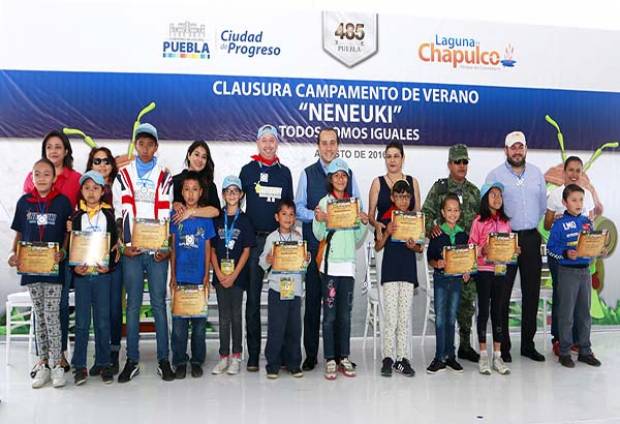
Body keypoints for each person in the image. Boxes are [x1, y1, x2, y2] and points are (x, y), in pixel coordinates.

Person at [294, 127, 363, 371]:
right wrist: (317, 215)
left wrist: (358, 218)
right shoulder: (307, 174)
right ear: (318, 146)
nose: (328, 147)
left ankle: (338, 355)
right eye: (324, 143)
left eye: (332, 142)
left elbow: (356, 208)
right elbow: (297, 207)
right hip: (316, 247)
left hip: (341, 250)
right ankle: (312, 355)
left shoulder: (348, 173)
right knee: (313, 301)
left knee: (340, 307)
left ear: (338, 145)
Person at [112, 123, 174, 382]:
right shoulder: (123, 176)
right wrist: (124, 244)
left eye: (150, 144)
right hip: (133, 250)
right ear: (135, 145)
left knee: (159, 305)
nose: (146, 148)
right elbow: (118, 214)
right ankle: (132, 359)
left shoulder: (166, 176)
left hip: (157, 250)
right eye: (141, 143)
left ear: (156, 146)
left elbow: (167, 214)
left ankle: (164, 359)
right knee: (134, 306)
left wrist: (165, 248)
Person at [8, 159, 72, 388]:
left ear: (54, 177)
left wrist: (63, 252)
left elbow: (68, 234)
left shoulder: (63, 202)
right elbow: (18, 233)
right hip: (31, 269)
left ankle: (57, 364)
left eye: (47, 173)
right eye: (38, 173)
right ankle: (42, 363)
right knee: (39, 314)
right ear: (32, 176)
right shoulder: (24, 203)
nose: (42, 177)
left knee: (52, 314)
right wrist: (12, 253)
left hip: (54, 269)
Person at [485, 131, 547, 362]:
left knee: (532, 293)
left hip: (531, 238)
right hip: (505, 240)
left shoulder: (537, 174)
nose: (517, 151)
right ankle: (504, 347)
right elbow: (490, 209)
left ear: (526, 149)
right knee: (502, 293)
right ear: (506, 150)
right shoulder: (494, 175)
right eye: (513, 147)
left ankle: (528, 345)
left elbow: (541, 208)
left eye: (520, 147)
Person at [23, 130, 82, 371]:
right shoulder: (32, 176)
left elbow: (83, 210)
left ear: (66, 151)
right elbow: (27, 212)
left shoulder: (76, 178)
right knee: (40, 309)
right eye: (49, 147)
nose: (54, 151)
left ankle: (61, 355)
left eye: (58, 147)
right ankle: (43, 358)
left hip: (64, 252)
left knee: (59, 307)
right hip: (37, 254)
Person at [239, 124, 293, 371]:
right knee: (252, 300)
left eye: (272, 140)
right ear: (257, 143)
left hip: (279, 241)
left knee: (283, 296)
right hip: (254, 242)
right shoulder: (247, 171)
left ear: (277, 144)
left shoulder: (285, 173)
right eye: (264, 141)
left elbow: (289, 210)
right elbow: (235, 204)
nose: (268, 145)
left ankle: (280, 353)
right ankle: (252, 356)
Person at [422, 144, 480, 363]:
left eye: (465, 162)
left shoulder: (474, 191)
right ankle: (443, 351)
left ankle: (464, 346)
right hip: (445, 260)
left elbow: (480, 222)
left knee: (466, 305)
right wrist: (432, 228)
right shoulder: (439, 189)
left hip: (465, 257)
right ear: (449, 164)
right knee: (445, 310)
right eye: (457, 162)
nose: (462, 166)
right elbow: (426, 213)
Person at [312, 158, 368, 380]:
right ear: (330, 179)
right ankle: (330, 358)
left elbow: (356, 238)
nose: (340, 179)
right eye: (336, 175)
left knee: (345, 315)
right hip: (330, 267)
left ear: (348, 178)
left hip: (348, 267)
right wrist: (322, 219)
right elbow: (318, 234)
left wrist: (363, 222)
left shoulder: (354, 204)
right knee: (330, 315)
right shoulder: (324, 203)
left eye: (344, 175)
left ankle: (344, 356)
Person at [69, 171, 118, 385]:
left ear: (102, 191)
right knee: (81, 323)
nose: (91, 192)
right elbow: (72, 245)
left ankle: (104, 362)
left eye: (96, 188)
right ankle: (79, 365)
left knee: (103, 320)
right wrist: (74, 269)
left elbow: (115, 247)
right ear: (81, 191)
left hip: (102, 276)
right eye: (87, 188)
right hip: (82, 277)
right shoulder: (77, 217)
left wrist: (111, 267)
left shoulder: (108, 215)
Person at [543, 156, 596, 354]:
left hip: (580, 259)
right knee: (562, 297)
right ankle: (559, 340)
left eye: (578, 170)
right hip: (562, 258)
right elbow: (547, 226)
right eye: (571, 170)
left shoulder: (587, 195)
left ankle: (577, 341)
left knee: (580, 303)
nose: (574, 174)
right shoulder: (555, 195)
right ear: (564, 172)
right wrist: (559, 219)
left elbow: (588, 227)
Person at [547, 184, 602, 368]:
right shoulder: (559, 224)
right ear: (565, 202)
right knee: (566, 314)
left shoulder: (587, 222)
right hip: (567, 272)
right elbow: (551, 248)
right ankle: (564, 352)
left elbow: (592, 243)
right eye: (574, 200)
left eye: (581, 200)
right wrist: (565, 253)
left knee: (584, 314)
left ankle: (585, 350)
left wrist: (597, 249)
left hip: (584, 271)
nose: (578, 203)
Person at [169, 171, 216, 379]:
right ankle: (179, 360)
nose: (190, 194)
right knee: (179, 326)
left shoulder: (205, 219)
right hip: (180, 277)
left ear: (201, 193)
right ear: (181, 192)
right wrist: (172, 275)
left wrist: (207, 275)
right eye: (186, 189)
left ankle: (197, 360)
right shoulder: (175, 217)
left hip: (199, 279)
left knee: (198, 325)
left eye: (194, 190)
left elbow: (208, 249)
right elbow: (172, 247)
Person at [374, 180, 422, 377]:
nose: (403, 200)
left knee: (403, 318)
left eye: (406, 197)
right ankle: (388, 358)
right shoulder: (386, 217)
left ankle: (401, 359)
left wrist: (414, 247)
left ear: (410, 199)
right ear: (392, 197)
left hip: (408, 272)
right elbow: (378, 246)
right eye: (399, 196)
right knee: (391, 318)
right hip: (391, 273)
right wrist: (387, 232)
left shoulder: (416, 219)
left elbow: (420, 248)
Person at [468, 182, 516, 375]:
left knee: (498, 311)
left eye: (499, 195)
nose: (497, 198)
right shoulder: (478, 221)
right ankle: (483, 355)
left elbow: (509, 246)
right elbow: (471, 248)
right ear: (485, 198)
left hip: (501, 271)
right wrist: (482, 250)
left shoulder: (506, 222)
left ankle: (497, 356)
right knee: (484, 312)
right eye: (492, 194)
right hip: (483, 271)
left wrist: (514, 250)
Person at [210, 176, 255, 375]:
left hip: (237, 276)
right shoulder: (217, 218)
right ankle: (223, 357)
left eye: (235, 191)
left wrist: (234, 274)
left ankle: (236, 356)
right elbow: (211, 249)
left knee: (236, 315)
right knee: (223, 317)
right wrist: (219, 273)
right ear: (223, 194)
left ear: (242, 195)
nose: (232, 194)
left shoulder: (245, 220)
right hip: (220, 276)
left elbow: (246, 250)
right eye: (228, 191)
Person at [259, 200, 309, 379]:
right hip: (276, 289)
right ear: (276, 217)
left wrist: (306, 259)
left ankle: (294, 363)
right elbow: (262, 262)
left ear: (295, 218)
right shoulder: (271, 238)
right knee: (276, 328)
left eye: (291, 214)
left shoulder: (298, 238)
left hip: (294, 290)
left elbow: (303, 266)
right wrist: (269, 259)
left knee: (294, 328)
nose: (288, 218)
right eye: (284, 214)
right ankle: (273, 364)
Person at [85, 147, 122, 374]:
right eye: (97, 161)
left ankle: (114, 352)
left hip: (115, 256)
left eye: (106, 161)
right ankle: (100, 355)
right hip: (90, 258)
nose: (102, 165)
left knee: (114, 306)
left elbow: (124, 216)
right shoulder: (85, 191)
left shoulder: (119, 186)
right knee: (99, 308)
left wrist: (119, 240)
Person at [426, 194, 470, 374]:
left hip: (457, 281)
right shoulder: (437, 234)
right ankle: (439, 357)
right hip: (441, 280)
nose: (453, 213)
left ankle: (451, 356)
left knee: (451, 318)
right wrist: (437, 263)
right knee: (441, 319)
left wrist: (467, 270)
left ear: (460, 212)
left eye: (456, 210)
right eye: (449, 210)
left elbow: (468, 258)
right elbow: (430, 258)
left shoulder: (462, 235)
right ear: (443, 213)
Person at [171, 140, 221, 222]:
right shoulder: (175, 181)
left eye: (204, 157)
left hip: (203, 232)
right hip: (178, 231)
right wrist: (173, 205)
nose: (200, 160)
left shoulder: (209, 185)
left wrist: (190, 212)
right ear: (189, 155)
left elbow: (216, 211)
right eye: (197, 154)